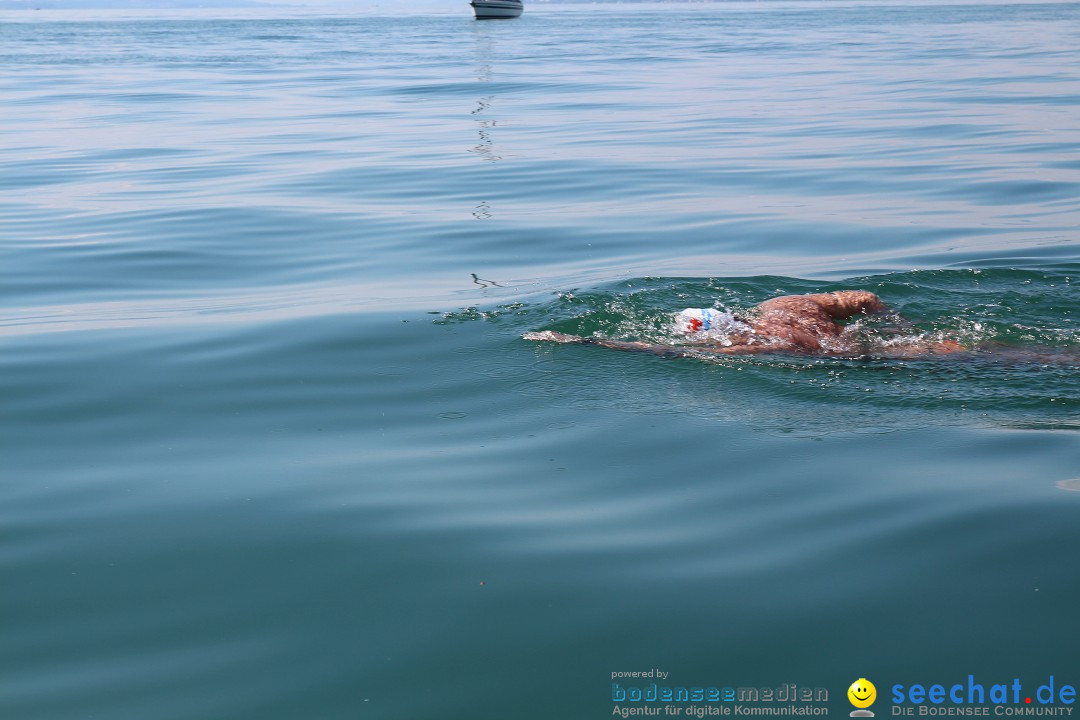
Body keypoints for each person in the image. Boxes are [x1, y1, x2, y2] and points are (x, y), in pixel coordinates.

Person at [523, 290, 966, 358]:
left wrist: (583, 341)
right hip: (891, 343)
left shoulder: (752, 346)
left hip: (870, 361)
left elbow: (663, 350)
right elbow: (865, 298)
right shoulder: (787, 304)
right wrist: (897, 324)